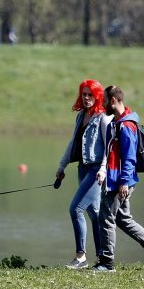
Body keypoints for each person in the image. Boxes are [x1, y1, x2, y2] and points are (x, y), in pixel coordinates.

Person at [94, 85, 144, 272]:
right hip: (117, 179)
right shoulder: (119, 122)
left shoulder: (126, 126)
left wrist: (123, 182)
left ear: (113, 100)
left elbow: (129, 158)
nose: (102, 104)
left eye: (104, 100)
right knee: (123, 219)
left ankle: (106, 263)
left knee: (106, 218)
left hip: (119, 181)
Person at [55, 80, 112, 269]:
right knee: (93, 213)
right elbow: (73, 142)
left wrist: (104, 169)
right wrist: (62, 166)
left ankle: (81, 256)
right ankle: (101, 258)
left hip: (97, 171)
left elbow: (108, 148)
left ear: (97, 97)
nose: (86, 98)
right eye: (84, 94)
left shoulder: (103, 118)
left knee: (76, 209)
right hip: (83, 168)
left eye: (90, 95)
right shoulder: (81, 116)